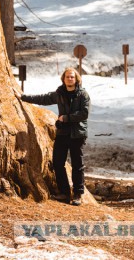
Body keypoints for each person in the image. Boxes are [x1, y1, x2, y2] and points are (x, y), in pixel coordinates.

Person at [19, 67, 90, 206]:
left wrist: (66, 118)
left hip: (77, 134)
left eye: (72, 77)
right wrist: (23, 97)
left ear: (76, 79)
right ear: (63, 79)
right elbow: (43, 98)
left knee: (77, 165)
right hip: (62, 133)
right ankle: (64, 193)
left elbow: (84, 114)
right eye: (67, 76)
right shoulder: (59, 93)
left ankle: (77, 194)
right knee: (58, 163)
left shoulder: (83, 95)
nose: (70, 79)